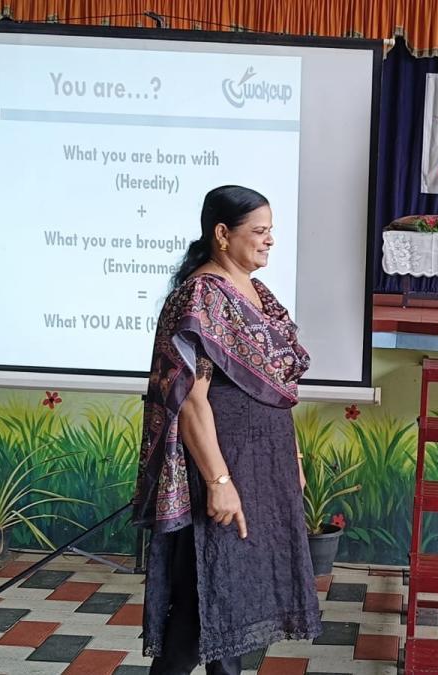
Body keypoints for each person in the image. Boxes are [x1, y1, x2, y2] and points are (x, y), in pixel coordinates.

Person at [133, 185, 321, 674]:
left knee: (230, 601)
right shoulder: (200, 296)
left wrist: (292, 459)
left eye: (270, 230)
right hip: (223, 465)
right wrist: (218, 481)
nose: (270, 240)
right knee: (201, 604)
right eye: (259, 231)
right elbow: (191, 401)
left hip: (262, 467)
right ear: (222, 234)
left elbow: (277, 392)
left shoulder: (259, 295)